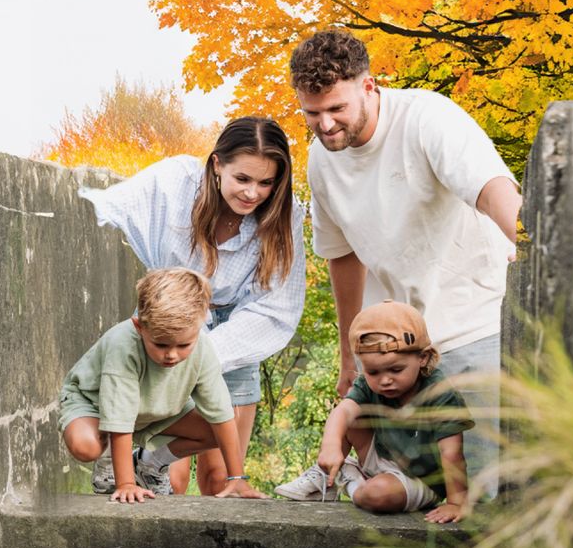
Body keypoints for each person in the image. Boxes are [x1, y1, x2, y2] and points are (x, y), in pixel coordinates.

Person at [289, 28, 521, 493]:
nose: (325, 124)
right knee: (421, 494)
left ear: (369, 87)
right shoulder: (320, 159)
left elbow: (491, 188)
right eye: (312, 113)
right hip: (401, 346)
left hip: (476, 323)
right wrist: (349, 357)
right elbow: (343, 257)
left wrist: (534, 247)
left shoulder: (426, 118)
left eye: (337, 109)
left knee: (486, 489)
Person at [79, 116, 306, 495]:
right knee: (175, 480)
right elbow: (112, 205)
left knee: (221, 472)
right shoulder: (176, 183)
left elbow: (276, 306)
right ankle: (147, 474)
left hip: (241, 329)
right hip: (173, 328)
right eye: (243, 179)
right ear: (217, 165)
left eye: (266, 183)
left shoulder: (285, 215)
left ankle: (158, 469)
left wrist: (205, 353)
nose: (253, 193)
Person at [59, 267, 265, 503]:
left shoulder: (203, 348)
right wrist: (126, 484)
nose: (172, 355)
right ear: (139, 327)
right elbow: (119, 416)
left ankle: (150, 463)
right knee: (85, 446)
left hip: (152, 408)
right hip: (95, 405)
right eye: (161, 345)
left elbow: (222, 415)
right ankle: (108, 456)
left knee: (217, 432)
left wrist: (236, 476)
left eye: (183, 345)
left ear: (199, 328)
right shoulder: (123, 345)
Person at [275, 301, 472, 522]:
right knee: (349, 413)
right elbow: (342, 413)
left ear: (423, 358)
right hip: (382, 457)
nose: (385, 380)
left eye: (396, 369)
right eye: (373, 371)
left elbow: (452, 453)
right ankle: (327, 474)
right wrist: (330, 447)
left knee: (375, 495)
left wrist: (456, 503)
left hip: (420, 479)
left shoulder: (440, 394)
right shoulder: (368, 386)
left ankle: (349, 480)